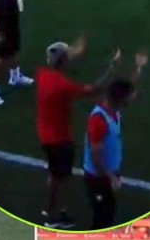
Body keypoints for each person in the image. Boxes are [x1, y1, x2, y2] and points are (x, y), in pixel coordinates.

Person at [36, 39, 120, 229]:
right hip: (59, 140)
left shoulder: (42, 75)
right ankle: (52, 216)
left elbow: (59, 60)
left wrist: (74, 51)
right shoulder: (62, 85)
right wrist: (112, 67)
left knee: (55, 175)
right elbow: (94, 89)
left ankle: (52, 210)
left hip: (45, 135)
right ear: (63, 61)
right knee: (60, 178)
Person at [83, 50, 149, 230]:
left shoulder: (113, 110)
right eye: (128, 98)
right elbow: (95, 155)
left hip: (106, 175)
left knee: (108, 212)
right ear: (120, 100)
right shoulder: (99, 120)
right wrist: (110, 177)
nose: (132, 99)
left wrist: (139, 68)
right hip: (98, 178)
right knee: (102, 217)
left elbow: (129, 88)